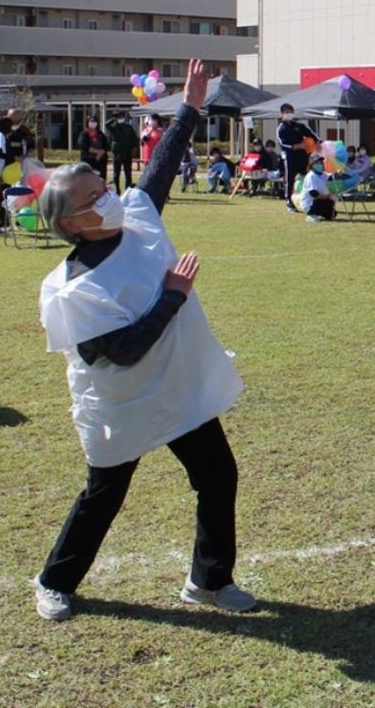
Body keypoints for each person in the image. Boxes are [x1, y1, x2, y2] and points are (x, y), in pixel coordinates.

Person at [32, 58, 255, 623]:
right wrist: (173, 295)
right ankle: (54, 580)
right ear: (73, 223)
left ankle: (209, 581)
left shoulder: (134, 217)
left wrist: (190, 107)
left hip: (177, 388)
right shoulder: (69, 290)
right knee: (103, 495)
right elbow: (124, 350)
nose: (108, 196)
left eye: (104, 186)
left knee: (217, 476)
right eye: (93, 197)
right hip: (120, 401)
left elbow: (159, 167)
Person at [277, 105, 318, 214]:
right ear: (282, 114)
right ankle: (289, 202)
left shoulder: (299, 126)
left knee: (307, 178)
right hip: (290, 157)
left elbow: (311, 134)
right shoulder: (281, 128)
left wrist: (318, 142)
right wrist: (297, 146)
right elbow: (282, 144)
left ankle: (306, 201)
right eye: (287, 112)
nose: (289, 113)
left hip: (303, 156)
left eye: (291, 111)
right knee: (290, 180)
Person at [107, 111, 139, 194]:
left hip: (127, 153)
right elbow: (106, 125)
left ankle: (128, 191)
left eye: (122, 117)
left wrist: (134, 148)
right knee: (116, 174)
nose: (121, 118)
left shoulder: (128, 127)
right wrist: (113, 119)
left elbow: (134, 138)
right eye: (119, 117)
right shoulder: (113, 127)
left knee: (128, 173)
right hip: (117, 153)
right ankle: (116, 191)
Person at [299, 155, 336, 222]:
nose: (319, 164)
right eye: (316, 163)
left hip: (320, 200)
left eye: (321, 162)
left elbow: (331, 178)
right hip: (310, 203)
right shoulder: (311, 176)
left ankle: (318, 213)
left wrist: (338, 174)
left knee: (332, 214)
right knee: (321, 202)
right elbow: (313, 193)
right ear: (312, 165)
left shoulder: (324, 175)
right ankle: (311, 215)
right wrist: (326, 196)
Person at [78, 116, 109, 181]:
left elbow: (106, 145)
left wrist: (100, 153)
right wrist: (97, 152)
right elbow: (84, 145)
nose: (93, 123)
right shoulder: (84, 134)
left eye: (94, 121)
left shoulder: (100, 134)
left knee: (101, 178)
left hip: (101, 160)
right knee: (88, 179)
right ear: (87, 123)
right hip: (88, 160)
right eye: (91, 121)